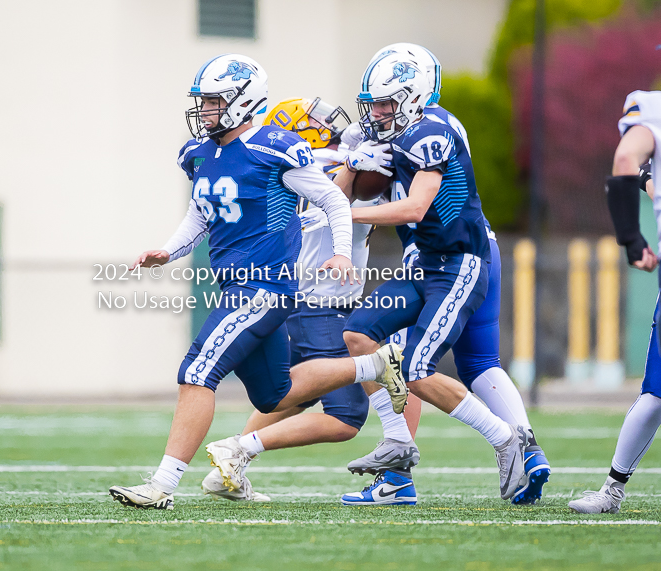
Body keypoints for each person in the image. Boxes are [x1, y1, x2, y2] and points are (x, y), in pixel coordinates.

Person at [108, 53, 404, 510]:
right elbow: (201, 212)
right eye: (203, 101)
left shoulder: (274, 147)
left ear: (244, 101)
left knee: (196, 371)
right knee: (276, 393)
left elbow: (332, 199)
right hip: (235, 285)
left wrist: (343, 252)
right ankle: (372, 366)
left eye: (213, 101)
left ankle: (162, 486)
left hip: (264, 286)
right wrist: (170, 249)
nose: (204, 110)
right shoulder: (199, 154)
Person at [340, 43, 550, 507]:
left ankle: (507, 441)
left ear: (413, 97)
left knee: (417, 366)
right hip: (426, 263)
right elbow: (358, 175)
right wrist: (345, 164)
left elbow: (415, 205)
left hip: (457, 262)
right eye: (373, 103)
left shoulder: (427, 132)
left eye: (386, 103)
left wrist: (344, 213)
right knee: (358, 334)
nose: (376, 113)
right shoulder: (409, 125)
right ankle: (398, 443)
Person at [199, 97, 412, 502]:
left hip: (301, 300)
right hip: (320, 302)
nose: (330, 122)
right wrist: (353, 162)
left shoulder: (289, 164)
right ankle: (238, 450)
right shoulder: (322, 166)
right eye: (317, 119)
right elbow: (337, 198)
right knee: (346, 416)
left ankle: (230, 460)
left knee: (293, 393)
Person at [569, 90, 661, 514]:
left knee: (657, 394)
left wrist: (630, 237)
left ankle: (612, 490)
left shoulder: (651, 107)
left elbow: (626, 160)